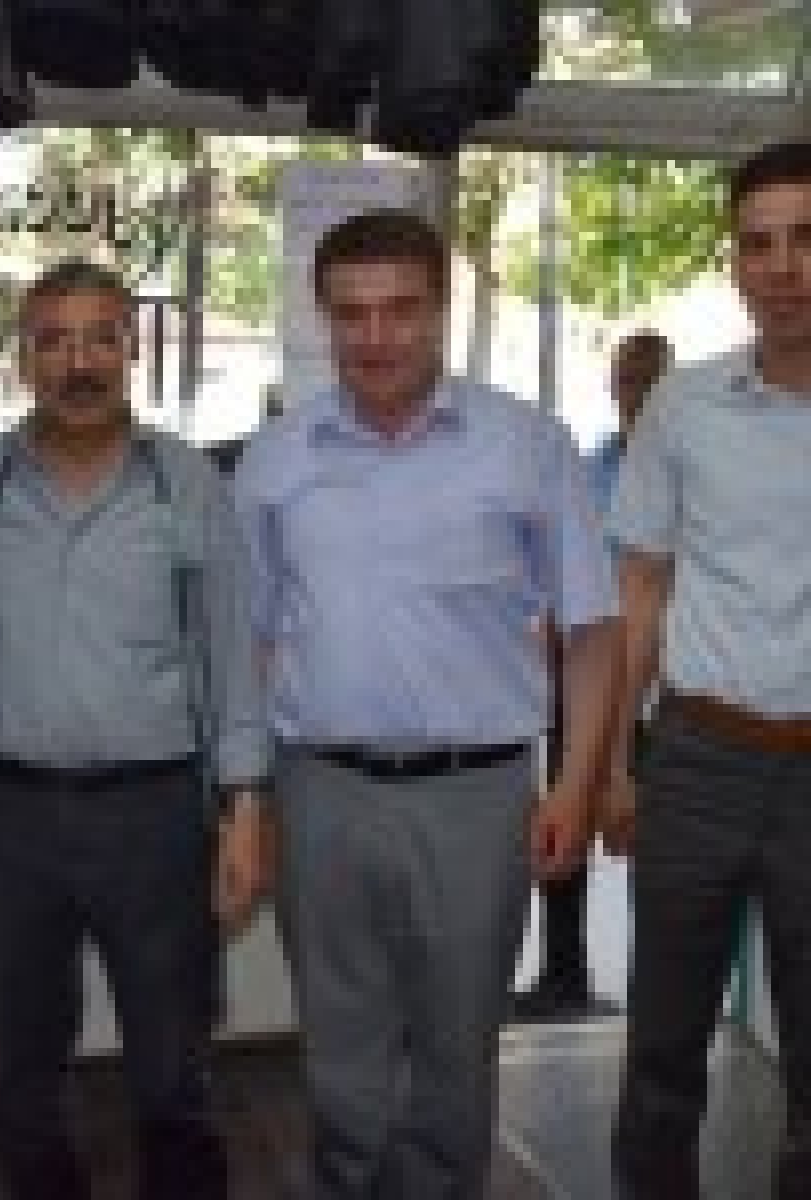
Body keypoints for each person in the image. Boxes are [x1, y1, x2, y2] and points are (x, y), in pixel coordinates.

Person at [235, 208, 621, 1200]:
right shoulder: (275, 459)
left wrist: (574, 786)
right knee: (338, 1044)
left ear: (442, 312)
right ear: (324, 318)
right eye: (352, 314)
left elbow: (592, 633)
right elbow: (250, 643)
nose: (377, 337)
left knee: (457, 1047)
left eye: (401, 310)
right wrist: (248, 802)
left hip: (477, 798)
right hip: (319, 791)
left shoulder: (529, 447)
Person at [0, 259, 270, 1200]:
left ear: (131, 349)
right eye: (54, 341)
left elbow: (230, 657)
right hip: (9, 817)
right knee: (22, 1069)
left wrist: (246, 812)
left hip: (155, 817)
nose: (80, 363)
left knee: (171, 1066)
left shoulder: (185, 484)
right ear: (24, 358)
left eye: (101, 338)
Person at [604, 141, 811, 1200]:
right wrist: (615, 762)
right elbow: (639, 590)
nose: (783, 268)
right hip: (698, 758)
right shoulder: (684, 407)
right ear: (735, 262)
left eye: (806, 239)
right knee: (663, 1051)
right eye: (758, 244)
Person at [515, 328, 672, 1021]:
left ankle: (655, 989)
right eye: (625, 379)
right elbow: (562, 562)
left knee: (654, 843)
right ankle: (563, 975)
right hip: (582, 677)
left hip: (658, 689)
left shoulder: (680, 465)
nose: (632, 392)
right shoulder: (593, 463)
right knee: (566, 815)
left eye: (645, 379)